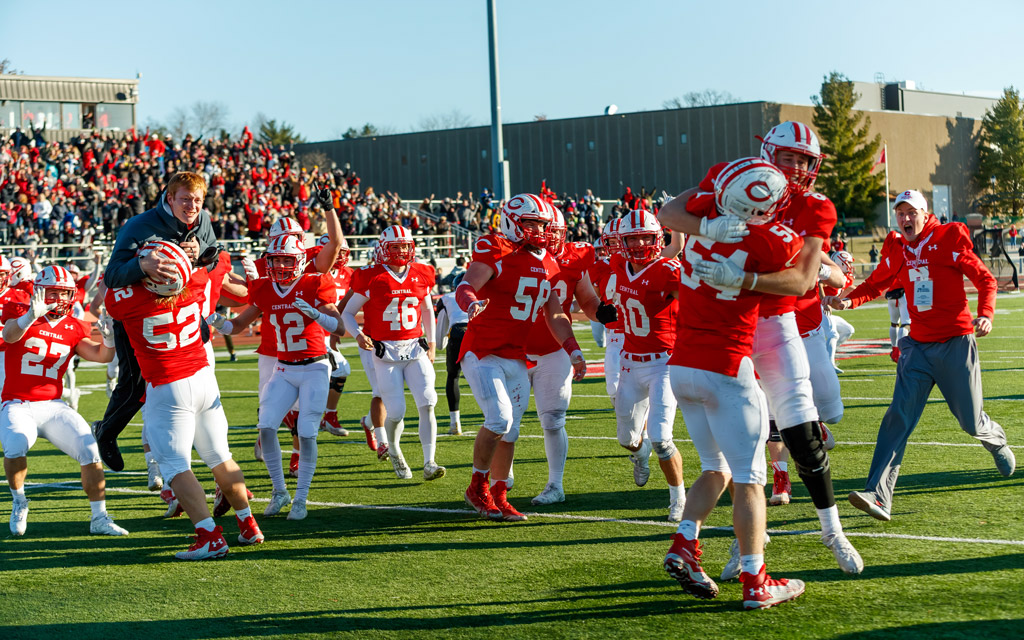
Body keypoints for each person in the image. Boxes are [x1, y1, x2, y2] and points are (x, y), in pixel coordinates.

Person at [660, 123, 862, 576]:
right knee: (739, 451)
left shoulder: (813, 206)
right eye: (787, 157)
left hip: (776, 323)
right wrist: (709, 225)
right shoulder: (732, 177)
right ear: (769, 153)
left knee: (801, 429)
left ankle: (832, 530)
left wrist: (747, 278)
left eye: (804, 160)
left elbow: (805, 279)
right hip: (725, 328)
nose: (796, 167)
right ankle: (746, 547)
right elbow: (670, 213)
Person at [660, 158, 806, 610]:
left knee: (715, 468)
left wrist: (708, 219)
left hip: (682, 367)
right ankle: (754, 579)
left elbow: (672, 208)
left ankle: (684, 543)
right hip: (727, 366)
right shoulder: (771, 238)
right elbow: (799, 280)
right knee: (750, 480)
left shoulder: (702, 218)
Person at [829, 189, 1015, 521]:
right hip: (917, 346)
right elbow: (876, 283)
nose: (905, 219)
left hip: (955, 343)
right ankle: (879, 494)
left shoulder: (948, 237)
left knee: (970, 422)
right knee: (897, 418)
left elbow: (986, 280)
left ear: (925, 214)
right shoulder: (897, 247)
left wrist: (985, 314)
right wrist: (848, 300)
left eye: (911, 212)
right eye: (900, 213)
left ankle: (995, 439)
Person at [105, 243, 263, 558]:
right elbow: (198, 269)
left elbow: (116, 279)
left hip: (168, 386)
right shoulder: (195, 283)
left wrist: (142, 264)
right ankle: (248, 525)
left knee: (175, 465)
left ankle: (209, 537)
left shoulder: (126, 302)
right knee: (220, 457)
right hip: (204, 379)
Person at [457, 194, 586, 522]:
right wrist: (471, 302)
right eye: (530, 223)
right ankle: (477, 486)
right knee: (499, 419)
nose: (538, 230)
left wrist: (573, 349)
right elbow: (466, 284)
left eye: (541, 224)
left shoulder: (550, 262)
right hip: (482, 349)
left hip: (515, 355)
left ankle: (499, 495)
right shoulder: (495, 248)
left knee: (510, 431)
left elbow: (555, 314)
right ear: (512, 222)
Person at [93, 171, 219, 472]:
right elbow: (112, 276)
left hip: (179, 311)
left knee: (192, 372)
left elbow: (214, 256)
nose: (191, 207)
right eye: (185, 199)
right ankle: (107, 432)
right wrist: (141, 265)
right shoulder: (139, 225)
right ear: (169, 197)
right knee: (136, 383)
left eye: (197, 201)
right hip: (136, 313)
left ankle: (193, 451)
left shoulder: (201, 220)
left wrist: (202, 254)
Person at [211, 234, 340, 520]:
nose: (281, 265)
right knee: (266, 427)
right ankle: (280, 491)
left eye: (287, 259)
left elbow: (340, 328)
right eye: (276, 259)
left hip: (315, 367)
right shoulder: (265, 289)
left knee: (306, 432)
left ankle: (301, 499)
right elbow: (238, 325)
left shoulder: (314, 283)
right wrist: (214, 320)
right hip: (283, 367)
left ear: (300, 261)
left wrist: (318, 316)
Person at [3, 267, 127, 537]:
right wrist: (28, 317)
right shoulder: (18, 312)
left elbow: (101, 356)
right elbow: (9, 335)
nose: (59, 298)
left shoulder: (73, 325)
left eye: (64, 293)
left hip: (53, 404)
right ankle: (19, 501)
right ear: (38, 292)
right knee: (14, 445)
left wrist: (109, 339)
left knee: (89, 449)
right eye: (53, 292)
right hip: (16, 403)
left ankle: (99, 517)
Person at [340, 225, 444, 481]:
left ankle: (429, 461)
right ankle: (396, 451)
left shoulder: (422, 272)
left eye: (404, 246)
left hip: (414, 346)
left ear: (412, 247)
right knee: (396, 411)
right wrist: (358, 334)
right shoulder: (371, 276)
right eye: (395, 246)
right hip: (385, 350)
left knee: (429, 402)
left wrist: (431, 343)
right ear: (384, 249)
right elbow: (347, 313)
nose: (400, 251)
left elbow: (428, 310)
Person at [522, 207, 608, 505]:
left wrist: (606, 313)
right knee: (504, 421)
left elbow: (587, 300)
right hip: (513, 348)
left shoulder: (575, 258)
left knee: (554, 418)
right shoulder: (513, 255)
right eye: (542, 230)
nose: (547, 237)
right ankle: (499, 480)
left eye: (553, 232)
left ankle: (555, 485)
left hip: (555, 348)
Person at [610, 209, 685, 521]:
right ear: (621, 241)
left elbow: (694, 306)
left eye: (645, 236)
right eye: (632, 237)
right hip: (629, 362)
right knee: (627, 439)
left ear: (658, 238)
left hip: (664, 364)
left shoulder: (669, 270)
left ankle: (679, 498)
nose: (639, 243)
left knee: (661, 436)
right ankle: (640, 455)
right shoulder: (617, 263)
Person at [435, 275, 470, 436]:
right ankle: (493, 418)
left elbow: (441, 324)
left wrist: (440, 345)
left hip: (458, 334)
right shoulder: (482, 295)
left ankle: (455, 423)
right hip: (479, 334)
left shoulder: (448, 298)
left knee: (453, 377)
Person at [880, 230, 911, 363]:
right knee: (906, 324)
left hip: (891, 295)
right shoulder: (902, 254)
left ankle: (894, 350)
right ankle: (901, 352)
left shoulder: (886, 259)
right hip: (903, 294)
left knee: (894, 324)